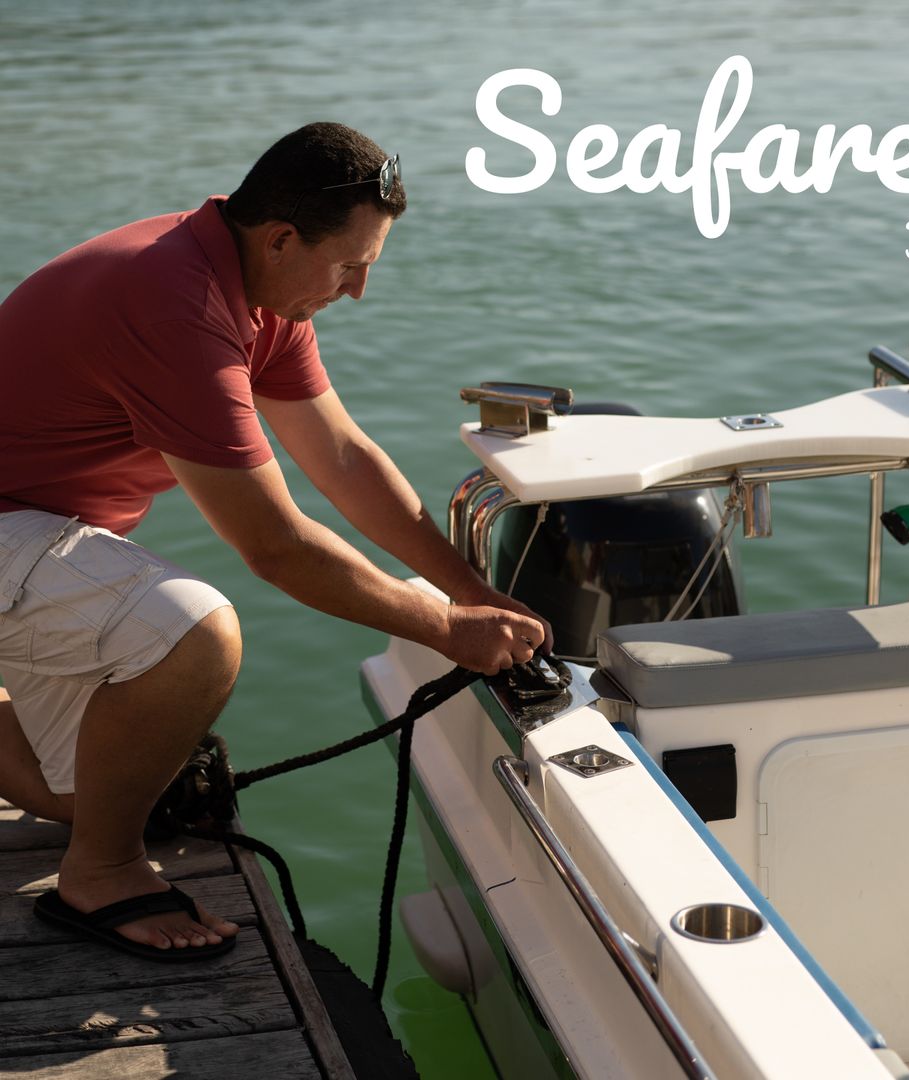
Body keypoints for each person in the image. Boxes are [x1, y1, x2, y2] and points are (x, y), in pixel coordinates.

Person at [0, 122, 550, 961]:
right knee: (193, 634)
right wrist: (442, 630)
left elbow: (343, 459)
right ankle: (102, 874)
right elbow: (275, 545)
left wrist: (467, 591)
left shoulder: (256, 289)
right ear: (283, 237)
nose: (360, 289)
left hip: (32, 533)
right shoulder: (172, 301)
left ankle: (93, 826)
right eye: (350, 264)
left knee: (87, 789)